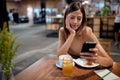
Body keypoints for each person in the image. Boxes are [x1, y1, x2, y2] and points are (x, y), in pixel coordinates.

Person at [57, 2, 113, 67]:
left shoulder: (87, 32)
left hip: (86, 68)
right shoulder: (62, 31)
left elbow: (109, 61)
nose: (75, 22)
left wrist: (95, 59)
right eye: (72, 18)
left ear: (82, 19)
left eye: (79, 18)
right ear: (66, 18)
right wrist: (72, 34)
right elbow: (60, 55)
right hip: (71, 67)